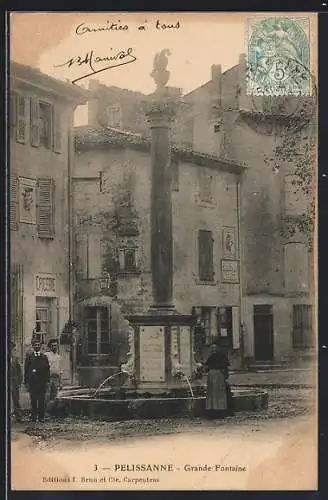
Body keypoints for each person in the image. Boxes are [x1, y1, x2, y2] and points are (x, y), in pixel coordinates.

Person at [203, 342, 233, 419]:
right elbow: (207, 366)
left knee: (216, 392)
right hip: (214, 374)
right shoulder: (214, 356)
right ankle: (215, 409)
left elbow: (225, 367)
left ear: (218, 348)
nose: (213, 350)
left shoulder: (219, 356)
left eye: (214, 348)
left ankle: (216, 409)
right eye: (211, 348)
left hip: (217, 374)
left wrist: (225, 376)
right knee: (214, 392)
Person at [24, 338, 50, 422]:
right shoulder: (29, 357)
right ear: (33, 346)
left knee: (41, 400)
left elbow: (47, 370)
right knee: (33, 400)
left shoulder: (44, 357)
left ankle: (41, 417)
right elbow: (26, 370)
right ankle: (34, 416)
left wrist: (47, 381)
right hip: (33, 383)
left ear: (40, 346)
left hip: (42, 382)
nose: (37, 346)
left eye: (38, 345)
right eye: (35, 345)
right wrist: (26, 382)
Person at [45, 339, 63, 403]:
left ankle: (52, 410)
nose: (54, 347)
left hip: (56, 379)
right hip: (48, 378)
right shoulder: (46, 355)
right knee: (47, 395)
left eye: (55, 345)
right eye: (53, 345)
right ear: (50, 346)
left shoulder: (59, 357)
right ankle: (46, 410)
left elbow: (60, 370)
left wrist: (61, 383)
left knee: (55, 396)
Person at [10, 342, 22, 422]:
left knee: (16, 399)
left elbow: (19, 371)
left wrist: (19, 381)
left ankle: (18, 417)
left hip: (14, 381)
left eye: (11, 348)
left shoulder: (15, 358)